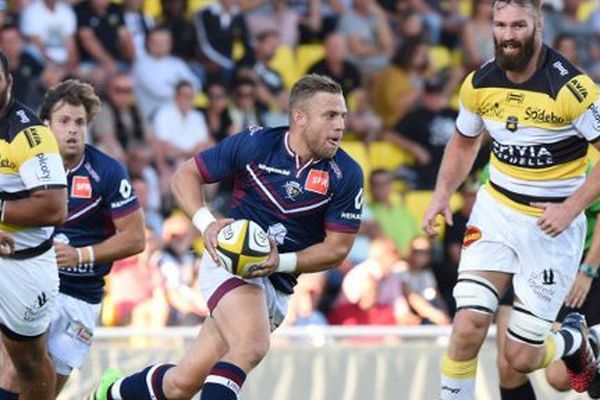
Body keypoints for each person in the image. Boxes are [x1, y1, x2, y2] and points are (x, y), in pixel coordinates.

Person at [90, 73, 364, 400]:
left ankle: (108, 393)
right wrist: (207, 224)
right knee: (250, 346)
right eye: (330, 115)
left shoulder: (346, 174)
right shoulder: (255, 144)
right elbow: (186, 175)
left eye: (343, 116)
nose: (340, 125)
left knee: (181, 385)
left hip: (277, 283)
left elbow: (337, 249)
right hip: (229, 262)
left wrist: (281, 262)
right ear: (299, 117)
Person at [422, 0, 600, 398]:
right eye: (500, 25)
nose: (507, 35)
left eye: (518, 25)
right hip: (496, 212)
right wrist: (440, 195)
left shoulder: (572, 88)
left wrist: (570, 209)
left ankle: (574, 342)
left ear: (537, 24)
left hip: (551, 230)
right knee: (466, 325)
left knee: (519, 357)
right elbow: (464, 141)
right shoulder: (481, 81)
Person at [0, 79, 146, 398]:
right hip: (31, 280)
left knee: (44, 389)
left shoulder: (107, 172)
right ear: (45, 125)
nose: (73, 130)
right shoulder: (25, 165)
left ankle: (104, 396)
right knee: (13, 372)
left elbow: (136, 238)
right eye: (64, 121)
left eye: (80, 122)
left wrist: (82, 255)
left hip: (79, 296)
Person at [495, 166, 600, 399]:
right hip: (522, 263)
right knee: (508, 364)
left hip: (571, 264)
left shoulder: (583, 155)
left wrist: (587, 271)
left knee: (559, 378)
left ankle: (590, 342)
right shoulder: (500, 153)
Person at [0, 50, 68, 400]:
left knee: (26, 362)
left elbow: (54, 208)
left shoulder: (28, 135)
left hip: (23, 264)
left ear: (8, 82)